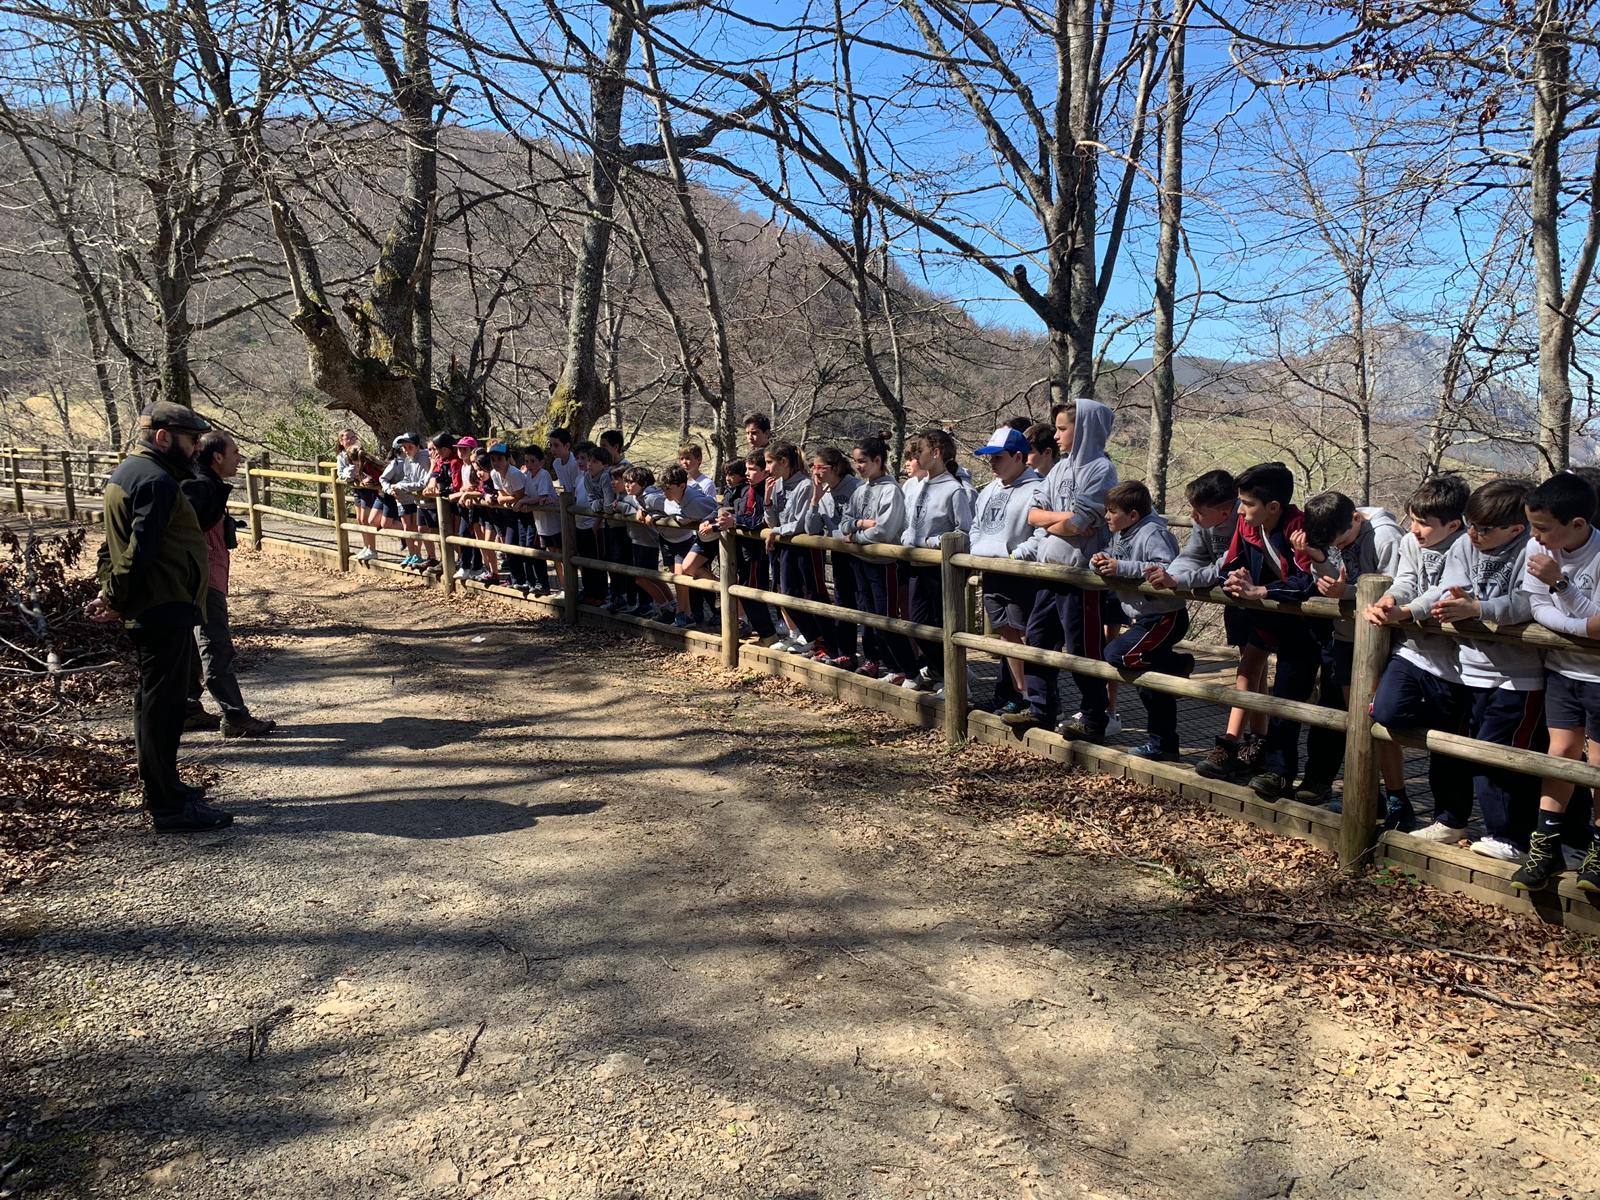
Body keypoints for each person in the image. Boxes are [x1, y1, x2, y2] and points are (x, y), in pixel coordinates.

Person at [88, 401, 232, 833]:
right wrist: (116, 597)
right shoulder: (155, 481)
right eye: (189, 440)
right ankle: (167, 805)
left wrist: (111, 591)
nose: (195, 449)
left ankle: (168, 787)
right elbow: (138, 550)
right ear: (163, 437)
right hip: (161, 607)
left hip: (160, 603)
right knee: (161, 708)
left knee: (160, 703)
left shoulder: (130, 474)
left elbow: (108, 549)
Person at [1362, 474, 1472, 833]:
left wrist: (1408, 612)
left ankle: (1449, 820)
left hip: (1456, 663)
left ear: (1453, 525)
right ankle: (1399, 797)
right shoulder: (1411, 541)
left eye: (1424, 523)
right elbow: (1407, 578)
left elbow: (1445, 589)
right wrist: (1391, 597)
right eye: (1413, 519)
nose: (1415, 528)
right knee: (1385, 711)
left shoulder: (1467, 547)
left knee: (1448, 747)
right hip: (1412, 652)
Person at [1005, 398, 1117, 738]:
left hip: (1080, 576)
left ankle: (1095, 717)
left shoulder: (1101, 469)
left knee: (1083, 649)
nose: (1056, 435)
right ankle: (1040, 708)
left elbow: (1082, 520)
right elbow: (1034, 515)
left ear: (1082, 429)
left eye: (1063, 428)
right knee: (1038, 639)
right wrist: (1061, 521)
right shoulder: (1061, 468)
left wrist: (1058, 522)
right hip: (1050, 571)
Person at [1292, 492, 1405, 803]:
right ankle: (1363, 792)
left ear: (1356, 518)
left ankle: (1385, 795)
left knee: (1374, 718)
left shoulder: (1385, 537)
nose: (1338, 549)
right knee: (1350, 715)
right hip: (1344, 635)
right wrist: (1319, 561)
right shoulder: (1333, 534)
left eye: (1341, 543)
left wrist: (1346, 591)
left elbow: (1395, 589)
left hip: (1381, 640)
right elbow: (1333, 579)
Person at [1517, 472, 1600, 892]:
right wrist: (1577, 626)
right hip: (1562, 670)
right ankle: (1545, 846)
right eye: (1533, 526)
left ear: (1578, 525)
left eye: (1544, 528)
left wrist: (1560, 584)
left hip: (1598, 678)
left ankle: (1599, 852)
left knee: (1599, 765)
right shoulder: (1538, 547)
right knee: (1560, 755)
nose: (1535, 536)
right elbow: (1535, 607)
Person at [1219, 462, 1321, 799]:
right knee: (1249, 673)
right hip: (1266, 619)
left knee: (1288, 700)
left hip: (1304, 628)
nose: (1241, 510)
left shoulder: (1300, 528)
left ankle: (1280, 774)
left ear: (1273, 507)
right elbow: (1232, 562)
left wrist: (1263, 591)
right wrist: (1232, 580)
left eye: (1248, 504)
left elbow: (1308, 581)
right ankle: (1259, 757)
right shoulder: (1247, 525)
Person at [181, 429, 276, 739]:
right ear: (218, 456)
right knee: (214, 644)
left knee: (192, 645)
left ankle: (188, 709)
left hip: (201, 577)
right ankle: (234, 716)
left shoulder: (202, 484)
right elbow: (186, 529)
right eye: (235, 452)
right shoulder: (199, 486)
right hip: (203, 578)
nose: (239, 458)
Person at [1090, 481, 1195, 761]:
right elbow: (1113, 558)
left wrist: (1120, 567)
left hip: (1164, 617)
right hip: (1145, 618)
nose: (1107, 517)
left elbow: (1166, 567)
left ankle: (1177, 665)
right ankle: (1164, 744)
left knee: (1116, 653)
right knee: (1151, 686)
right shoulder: (1121, 533)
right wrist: (1099, 561)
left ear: (1133, 515)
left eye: (1112, 512)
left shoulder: (1153, 533)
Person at [967, 425, 1044, 712]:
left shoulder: (1037, 488)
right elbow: (976, 525)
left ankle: (1030, 696)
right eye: (991, 457)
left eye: (998, 457)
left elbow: (1041, 533)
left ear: (1018, 456)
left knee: (1023, 633)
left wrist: (1017, 555)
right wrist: (978, 549)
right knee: (1004, 632)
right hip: (990, 568)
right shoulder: (989, 490)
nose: (992, 463)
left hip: (1020, 573)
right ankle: (1015, 692)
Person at [895, 428, 974, 693]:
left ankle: (955, 683)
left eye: (921, 451)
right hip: (915, 566)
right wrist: (909, 537)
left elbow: (965, 531)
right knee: (917, 625)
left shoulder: (954, 490)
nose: (916, 456)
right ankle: (944, 673)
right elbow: (910, 523)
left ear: (936, 453)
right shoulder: (919, 487)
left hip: (939, 571)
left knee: (942, 627)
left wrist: (934, 541)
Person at [840, 436, 908, 679]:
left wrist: (856, 535)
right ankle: (872, 659)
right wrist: (858, 523)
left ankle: (901, 666)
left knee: (885, 617)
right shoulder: (860, 490)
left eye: (863, 461)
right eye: (856, 461)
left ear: (878, 461)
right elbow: (844, 523)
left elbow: (885, 530)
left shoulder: (892, 491)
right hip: (861, 562)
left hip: (884, 564)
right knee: (867, 615)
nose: (858, 466)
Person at [380, 433, 431, 568]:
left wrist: (401, 486)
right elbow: (407, 479)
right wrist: (393, 488)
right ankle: (415, 555)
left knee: (421, 529)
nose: (406, 450)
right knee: (411, 528)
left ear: (417, 446)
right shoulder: (403, 461)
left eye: (410, 447)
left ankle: (424, 556)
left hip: (422, 500)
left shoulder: (425, 457)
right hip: (410, 499)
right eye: (404, 447)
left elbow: (422, 482)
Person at [335, 429, 383, 561]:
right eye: (347, 438)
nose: (350, 440)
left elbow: (369, 470)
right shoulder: (341, 457)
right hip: (357, 489)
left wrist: (356, 475)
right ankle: (366, 546)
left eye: (352, 437)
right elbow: (342, 474)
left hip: (367, 488)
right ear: (341, 441)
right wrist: (350, 473)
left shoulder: (361, 453)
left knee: (366, 518)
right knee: (360, 519)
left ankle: (372, 548)